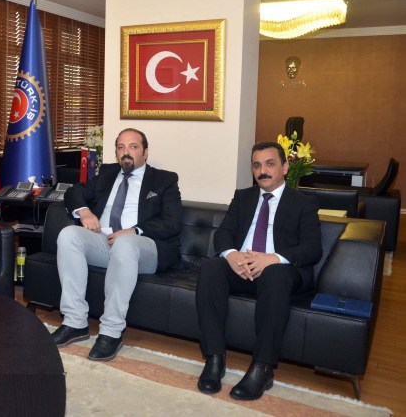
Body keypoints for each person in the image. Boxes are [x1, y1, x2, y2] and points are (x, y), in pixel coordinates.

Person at [195, 141, 322, 400]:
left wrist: (272, 258)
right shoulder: (243, 197)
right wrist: (232, 256)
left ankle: (263, 368)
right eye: (257, 165)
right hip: (242, 268)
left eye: (270, 164)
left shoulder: (303, 203)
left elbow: (312, 248)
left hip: (281, 271)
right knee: (210, 267)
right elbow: (223, 234)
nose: (262, 171)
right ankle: (214, 359)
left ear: (285, 167)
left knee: (274, 275)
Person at [50, 128, 182, 361]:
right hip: (105, 241)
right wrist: (85, 212)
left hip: (145, 246)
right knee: (69, 235)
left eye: (133, 147)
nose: (126, 152)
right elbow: (74, 192)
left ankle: (111, 332)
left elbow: (172, 223)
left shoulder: (164, 180)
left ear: (145, 152)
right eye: (121, 147)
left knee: (125, 244)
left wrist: (134, 230)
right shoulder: (108, 173)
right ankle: (75, 322)